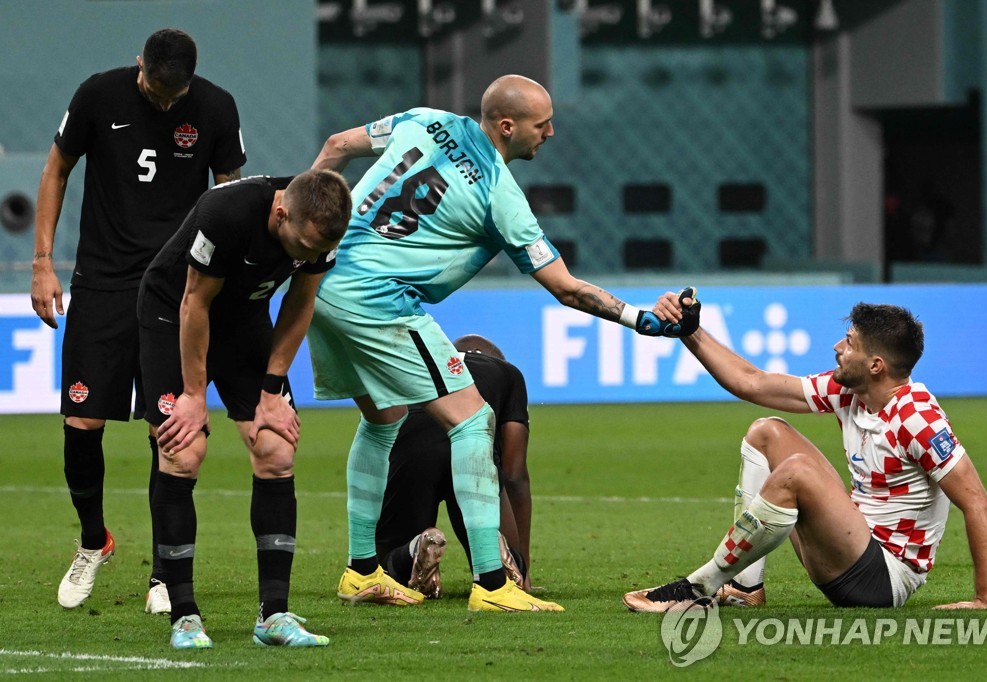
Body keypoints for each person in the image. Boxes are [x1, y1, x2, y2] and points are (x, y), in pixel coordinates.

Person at [308, 74, 684, 613]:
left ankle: (360, 571)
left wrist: (295, 238)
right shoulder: (498, 194)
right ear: (507, 127)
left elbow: (337, 147)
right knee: (472, 420)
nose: (551, 132)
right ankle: (491, 583)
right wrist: (642, 319)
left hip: (322, 280)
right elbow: (566, 288)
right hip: (377, 298)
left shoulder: (423, 120)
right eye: (542, 123)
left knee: (383, 419)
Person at [30, 28, 246, 613]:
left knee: (168, 430)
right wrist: (43, 262)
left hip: (176, 290)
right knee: (81, 422)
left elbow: (230, 199)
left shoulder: (217, 108)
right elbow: (56, 170)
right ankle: (93, 541)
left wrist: (226, 285)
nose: (164, 104)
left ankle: (161, 570)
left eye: (175, 98)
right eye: (154, 91)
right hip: (100, 283)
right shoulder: (98, 96)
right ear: (138, 67)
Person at [623, 293, 987, 611]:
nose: (838, 348)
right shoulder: (851, 390)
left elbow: (978, 503)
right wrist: (691, 333)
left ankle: (698, 588)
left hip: (884, 578)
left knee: (799, 470)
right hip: (853, 542)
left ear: (876, 365)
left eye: (849, 342)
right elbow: (753, 383)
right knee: (766, 432)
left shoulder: (918, 418)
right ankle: (744, 586)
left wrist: (984, 598)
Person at [137, 169, 350, 648]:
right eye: (305, 248)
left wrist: (272, 390)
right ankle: (184, 617)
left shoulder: (324, 222)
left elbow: (301, 302)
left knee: (276, 451)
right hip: (174, 314)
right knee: (182, 451)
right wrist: (194, 396)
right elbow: (195, 302)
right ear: (280, 214)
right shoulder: (225, 213)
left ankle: (273, 616)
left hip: (244, 320)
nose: (312, 257)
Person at [376, 334, 534, 599]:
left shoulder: (419, 364)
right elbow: (515, 473)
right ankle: (499, 556)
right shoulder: (507, 372)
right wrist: (525, 566)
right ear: (496, 358)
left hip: (414, 445)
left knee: (390, 566)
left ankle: (415, 549)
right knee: (496, 573)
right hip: (472, 449)